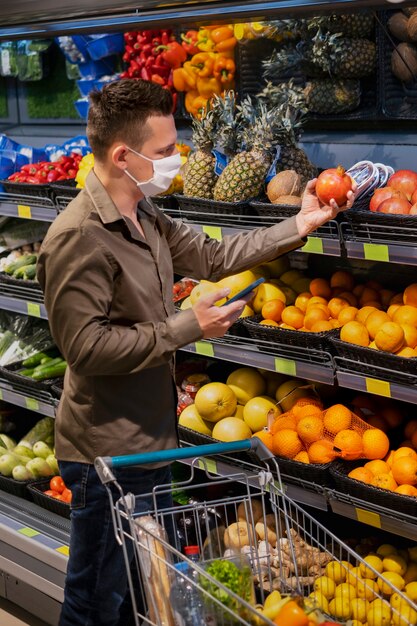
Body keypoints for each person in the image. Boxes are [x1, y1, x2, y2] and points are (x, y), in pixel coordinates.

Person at [37, 78, 356, 626]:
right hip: (106, 452)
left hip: (150, 437)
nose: (174, 159)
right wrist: (188, 325)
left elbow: (213, 256)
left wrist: (300, 223)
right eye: (163, 151)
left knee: (133, 592)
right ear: (122, 155)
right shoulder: (79, 237)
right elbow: (85, 349)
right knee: (94, 598)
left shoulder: (144, 212)